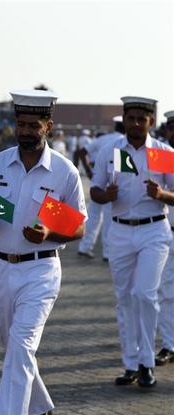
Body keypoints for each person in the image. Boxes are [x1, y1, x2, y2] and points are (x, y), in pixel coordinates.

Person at [0, 90, 87, 415]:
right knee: (14, 350)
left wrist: (49, 234)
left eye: (32, 125)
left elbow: (78, 227)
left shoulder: (63, 172)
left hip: (40, 271)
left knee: (21, 347)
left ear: (48, 126)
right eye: (21, 124)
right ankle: (39, 407)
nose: (25, 131)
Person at [90, 96, 174, 388]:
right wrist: (106, 195)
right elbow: (95, 191)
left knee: (145, 294)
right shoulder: (110, 151)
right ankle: (130, 364)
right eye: (131, 118)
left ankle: (147, 363)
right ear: (124, 120)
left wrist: (162, 195)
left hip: (154, 230)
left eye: (142, 118)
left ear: (151, 121)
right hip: (120, 231)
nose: (136, 123)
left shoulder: (163, 153)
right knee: (124, 297)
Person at [76, 116, 125, 260]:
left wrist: (89, 172)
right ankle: (107, 253)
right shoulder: (124, 141)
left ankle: (84, 247)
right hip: (112, 183)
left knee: (93, 217)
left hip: (97, 182)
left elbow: (82, 152)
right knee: (109, 218)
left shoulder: (103, 139)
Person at [155, 109, 174, 366]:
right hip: (168, 232)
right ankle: (169, 344)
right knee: (166, 291)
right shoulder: (161, 156)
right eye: (171, 127)